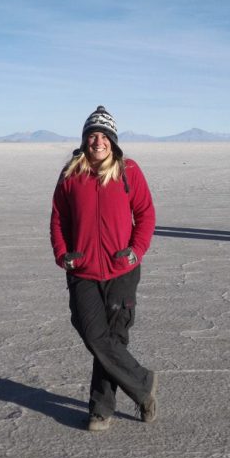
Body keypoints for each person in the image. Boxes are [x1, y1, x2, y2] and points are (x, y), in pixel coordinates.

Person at [50, 105, 157, 431]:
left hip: (120, 269)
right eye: (92, 135)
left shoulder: (128, 171)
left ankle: (100, 409)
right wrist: (63, 253)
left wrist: (135, 252)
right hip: (82, 270)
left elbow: (146, 214)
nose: (98, 141)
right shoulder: (71, 173)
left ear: (113, 141)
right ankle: (142, 383)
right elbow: (58, 218)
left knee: (113, 338)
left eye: (104, 136)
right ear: (84, 140)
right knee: (95, 336)